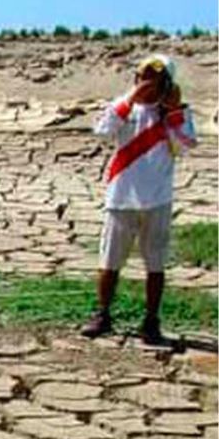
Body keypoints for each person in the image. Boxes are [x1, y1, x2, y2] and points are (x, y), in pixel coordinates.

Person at [81, 54, 197, 345]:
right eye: (143, 76)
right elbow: (102, 130)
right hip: (121, 198)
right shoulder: (124, 106)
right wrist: (131, 98)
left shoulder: (175, 113)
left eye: (154, 79)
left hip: (157, 200)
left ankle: (151, 320)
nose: (147, 83)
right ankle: (103, 313)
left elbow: (186, 145)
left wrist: (173, 112)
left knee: (155, 264)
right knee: (109, 261)